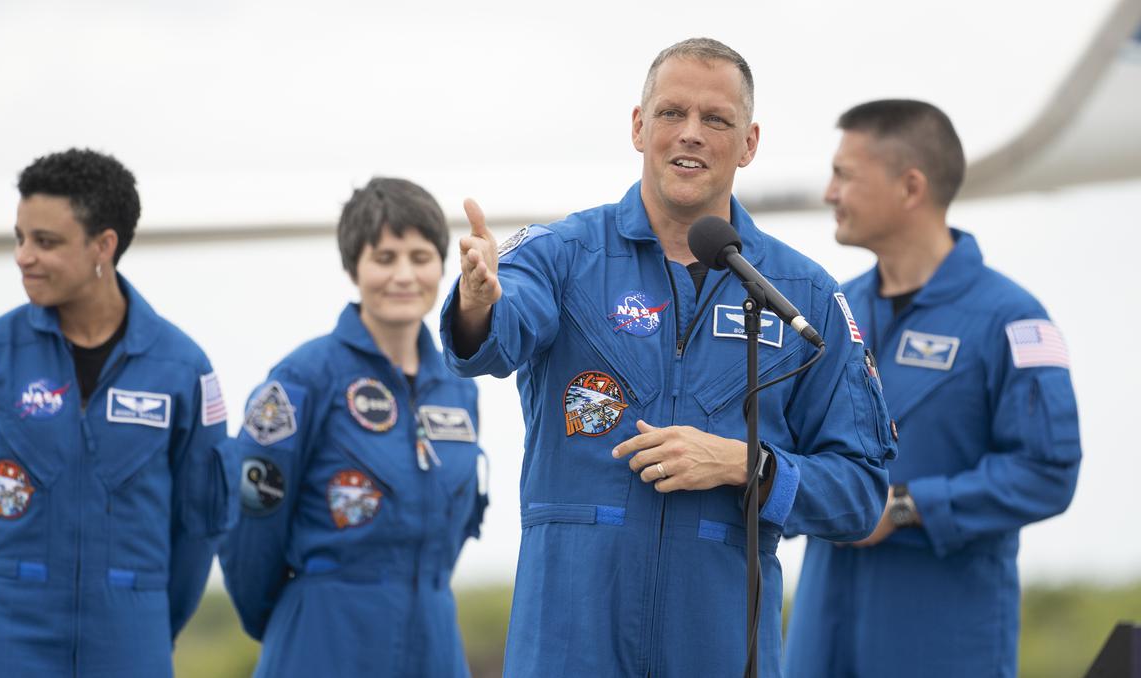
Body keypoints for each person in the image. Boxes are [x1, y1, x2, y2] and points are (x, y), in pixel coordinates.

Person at [442, 38, 895, 677]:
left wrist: (749, 466)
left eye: (716, 120)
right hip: (570, 645)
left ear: (749, 143)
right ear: (637, 125)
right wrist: (477, 302)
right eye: (670, 113)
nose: (691, 135)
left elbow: (858, 495)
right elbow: (494, 338)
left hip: (718, 647)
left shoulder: (804, 297)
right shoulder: (563, 256)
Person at [784, 100, 1082, 677]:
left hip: (943, 638)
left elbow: (1049, 471)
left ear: (910, 187)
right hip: (823, 631)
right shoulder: (828, 311)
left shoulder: (1012, 320)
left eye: (845, 174)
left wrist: (904, 508)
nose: (828, 192)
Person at [0, 148, 239, 676]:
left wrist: (148, 616)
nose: (23, 256)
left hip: (130, 636)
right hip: (0, 634)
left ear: (103, 246)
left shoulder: (182, 369)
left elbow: (199, 523)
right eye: (19, 238)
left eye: (46, 242)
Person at [220, 177, 487, 677]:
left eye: (420, 256)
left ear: (441, 265)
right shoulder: (303, 379)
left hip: (433, 640)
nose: (404, 275)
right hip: (323, 639)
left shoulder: (457, 388)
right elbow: (250, 525)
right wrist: (290, 620)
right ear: (353, 268)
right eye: (385, 258)